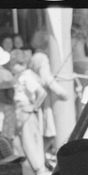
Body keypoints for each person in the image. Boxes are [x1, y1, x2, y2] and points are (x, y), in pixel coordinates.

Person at [29, 28, 70, 162]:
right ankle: (39, 158)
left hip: (36, 97)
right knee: (48, 132)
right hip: (43, 99)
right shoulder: (42, 58)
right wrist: (63, 93)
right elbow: (46, 79)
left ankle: (41, 158)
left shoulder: (34, 56)